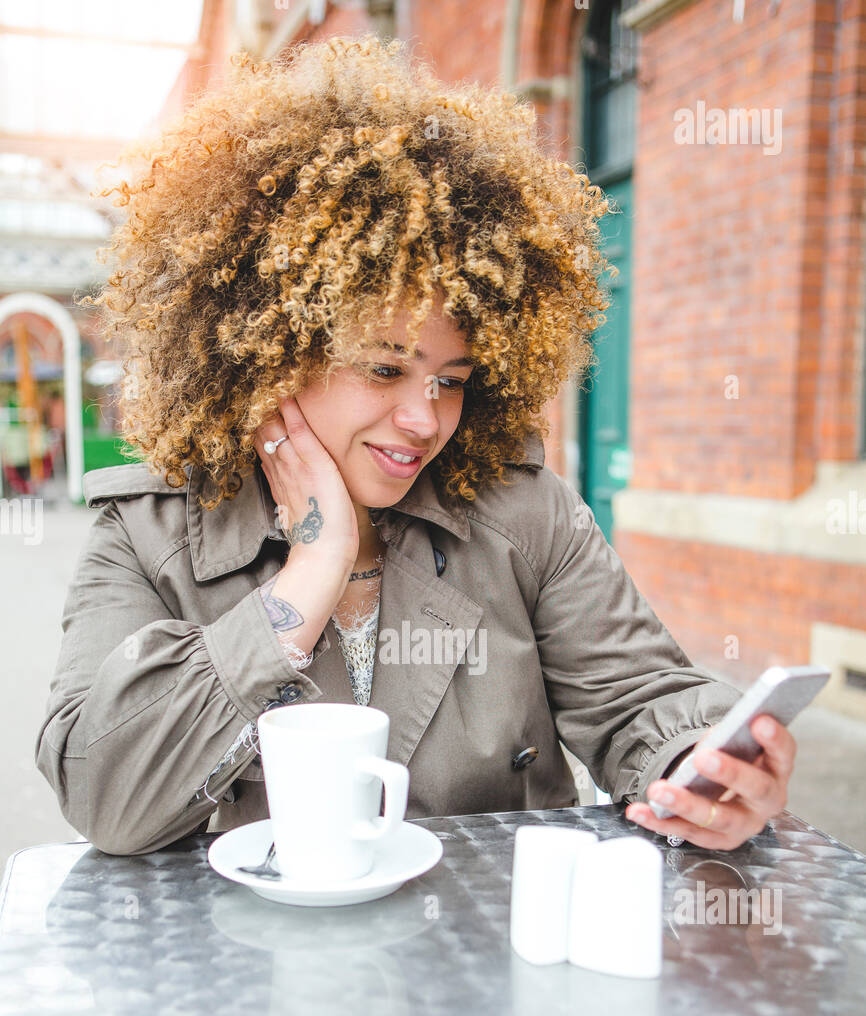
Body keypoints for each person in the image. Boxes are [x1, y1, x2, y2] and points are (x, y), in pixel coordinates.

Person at [36, 35, 795, 858]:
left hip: (493, 956)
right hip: (260, 966)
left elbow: (640, 697)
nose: (426, 419)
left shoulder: (522, 510)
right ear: (271, 350)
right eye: (385, 367)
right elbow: (105, 792)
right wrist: (308, 578)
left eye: (452, 378)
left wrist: (704, 765)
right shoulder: (149, 533)